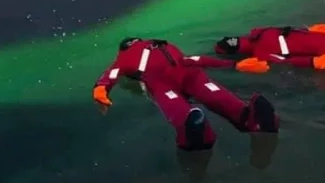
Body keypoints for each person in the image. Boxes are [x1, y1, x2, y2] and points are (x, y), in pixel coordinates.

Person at [92, 37, 278, 152]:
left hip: (161, 81)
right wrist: (233, 65)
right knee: (215, 93)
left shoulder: (124, 56)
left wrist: (100, 88)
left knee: (176, 106)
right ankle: (248, 117)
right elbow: (195, 59)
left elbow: (113, 73)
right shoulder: (162, 45)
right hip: (189, 72)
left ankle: (194, 129)